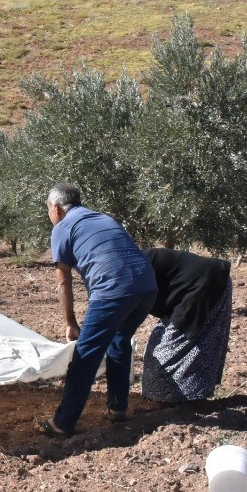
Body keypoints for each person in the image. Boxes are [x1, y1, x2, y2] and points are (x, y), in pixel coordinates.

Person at [39, 184, 157, 438]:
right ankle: (118, 408)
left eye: (48, 209)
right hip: (147, 286)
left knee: (85, 358)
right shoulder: (102, 217)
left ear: (57, 208)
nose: (49, 214)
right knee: (119, 341)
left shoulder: (62, 227)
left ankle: (63, 423)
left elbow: (63, 281)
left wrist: (70, 322)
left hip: (113, 290)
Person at [141, 247, 234, 404]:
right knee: (159, 346)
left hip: (206, 284)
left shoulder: (126, 270)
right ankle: (168, 400)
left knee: (168, 352)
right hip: (190, 289)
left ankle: (183, 402)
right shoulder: (123, 265)